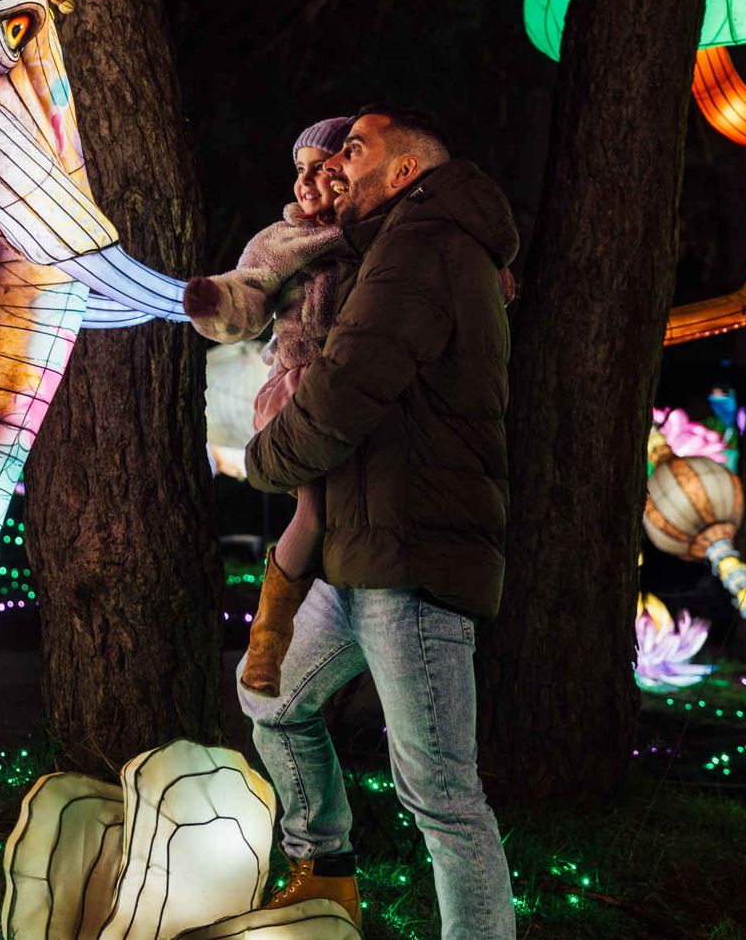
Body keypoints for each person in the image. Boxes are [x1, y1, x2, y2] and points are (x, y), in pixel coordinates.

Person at [242, 108, 519, 939]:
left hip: (412, 560)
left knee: (440, 794)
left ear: (403, 173)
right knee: (273, 701)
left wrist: (261, 462)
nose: (336, 168)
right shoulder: (402, 247)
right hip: (359, 557)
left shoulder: (423, 247)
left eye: (355, 151)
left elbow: (343, 395)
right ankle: (325, 875)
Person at [184, 116, 356, 697]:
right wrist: (216, 300)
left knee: (344, 508)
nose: (306, 183)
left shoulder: (382, 234)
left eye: (322, 169)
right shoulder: (280, 241)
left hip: (364, 387)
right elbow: (249, 290)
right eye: (299, 171)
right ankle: (269, 638)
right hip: (301, 392)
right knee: (312, 509)